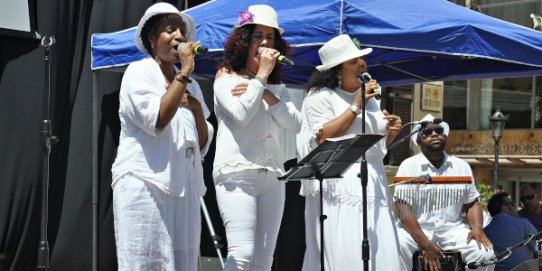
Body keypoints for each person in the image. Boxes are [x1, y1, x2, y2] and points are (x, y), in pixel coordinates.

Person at [110, 3, 214, 270]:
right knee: (146, 261)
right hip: (145, 184)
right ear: (152, 39)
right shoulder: (139, 72)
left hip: (183, 187)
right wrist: (185, 73)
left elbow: (202, 146)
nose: (180, 36)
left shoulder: (192, 86)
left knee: (182, 263)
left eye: (182, 31)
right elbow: (156, 120)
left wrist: (197, 110)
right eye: (170, 30)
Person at [296, 34, 404, 271]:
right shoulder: (319, 97)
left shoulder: (372, 98)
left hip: (373, 178)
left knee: (377, 247)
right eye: (353, 61)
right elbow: (323, 136)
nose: (362, 64)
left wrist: (391, 131)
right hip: (339, 181)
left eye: (362, 60)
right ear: (337, 70)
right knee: (346, 248)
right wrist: (356, 105)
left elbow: (375, 145)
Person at [212, 4, 301, 271]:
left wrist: (265, 91)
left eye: (270, 37)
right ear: (244, 41)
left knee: (264, 260)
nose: (264, 43)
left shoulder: (275, 87)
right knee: (242, 254)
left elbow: (295, 124)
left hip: (272, 175)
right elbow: (241, 114)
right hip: (237, 173)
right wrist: (260, 78)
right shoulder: (225, 77)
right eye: (257, 36)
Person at [395, 114, 495, 271]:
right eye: (427, 133)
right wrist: (425, 244)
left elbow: (471, 203)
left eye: (439, 130)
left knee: (485, 254)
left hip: (452, 231)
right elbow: (403, 209)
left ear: (445, 136)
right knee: (396, 246)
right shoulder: (408, 166)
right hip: (416, 232)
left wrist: (477, 227)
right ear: (419, 141)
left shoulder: (461, 166)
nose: (434, 134)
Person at [484, 192, 538, 271]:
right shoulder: (523, 224)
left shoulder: (485, 231)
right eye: (512, 204)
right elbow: (538, 248)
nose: (515, 207)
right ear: (505, 208)